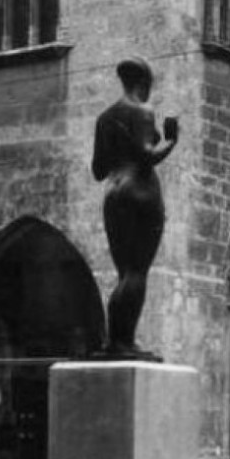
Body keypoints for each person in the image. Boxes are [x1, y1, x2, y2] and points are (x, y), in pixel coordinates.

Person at [92, 56, 178, 358]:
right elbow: (147, 156)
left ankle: (118, 341)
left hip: (114, 192)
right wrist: (171, 140)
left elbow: (98, 170)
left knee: (124, 272)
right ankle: (121, 343)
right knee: (137, 271)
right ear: (144, 83)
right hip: (140, 192)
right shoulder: (142, 111)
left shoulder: (104, 118)